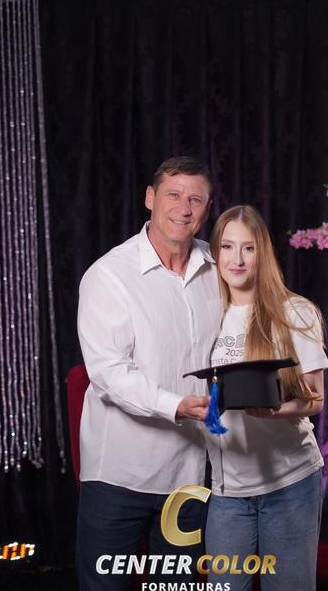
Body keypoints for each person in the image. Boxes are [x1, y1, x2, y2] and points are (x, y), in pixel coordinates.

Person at [76, 156, 222, 590]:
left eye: (196, 199)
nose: (184, 208)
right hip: (120, 474)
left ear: (207, 208)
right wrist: (176, 405)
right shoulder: (109, 275)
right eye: (174, 195)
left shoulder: (220, 267)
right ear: (150, 198)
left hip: (191, 475)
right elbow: (109, 372)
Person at [204, 205, 328, 591]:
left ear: (263, 253)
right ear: (215, 252)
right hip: (227, 492)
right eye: (227, 247)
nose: (237, 259)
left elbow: (315, 400)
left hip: (290, 484)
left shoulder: (295, 312)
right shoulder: (206, 317)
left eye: (248, 248)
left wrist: (273, 411)